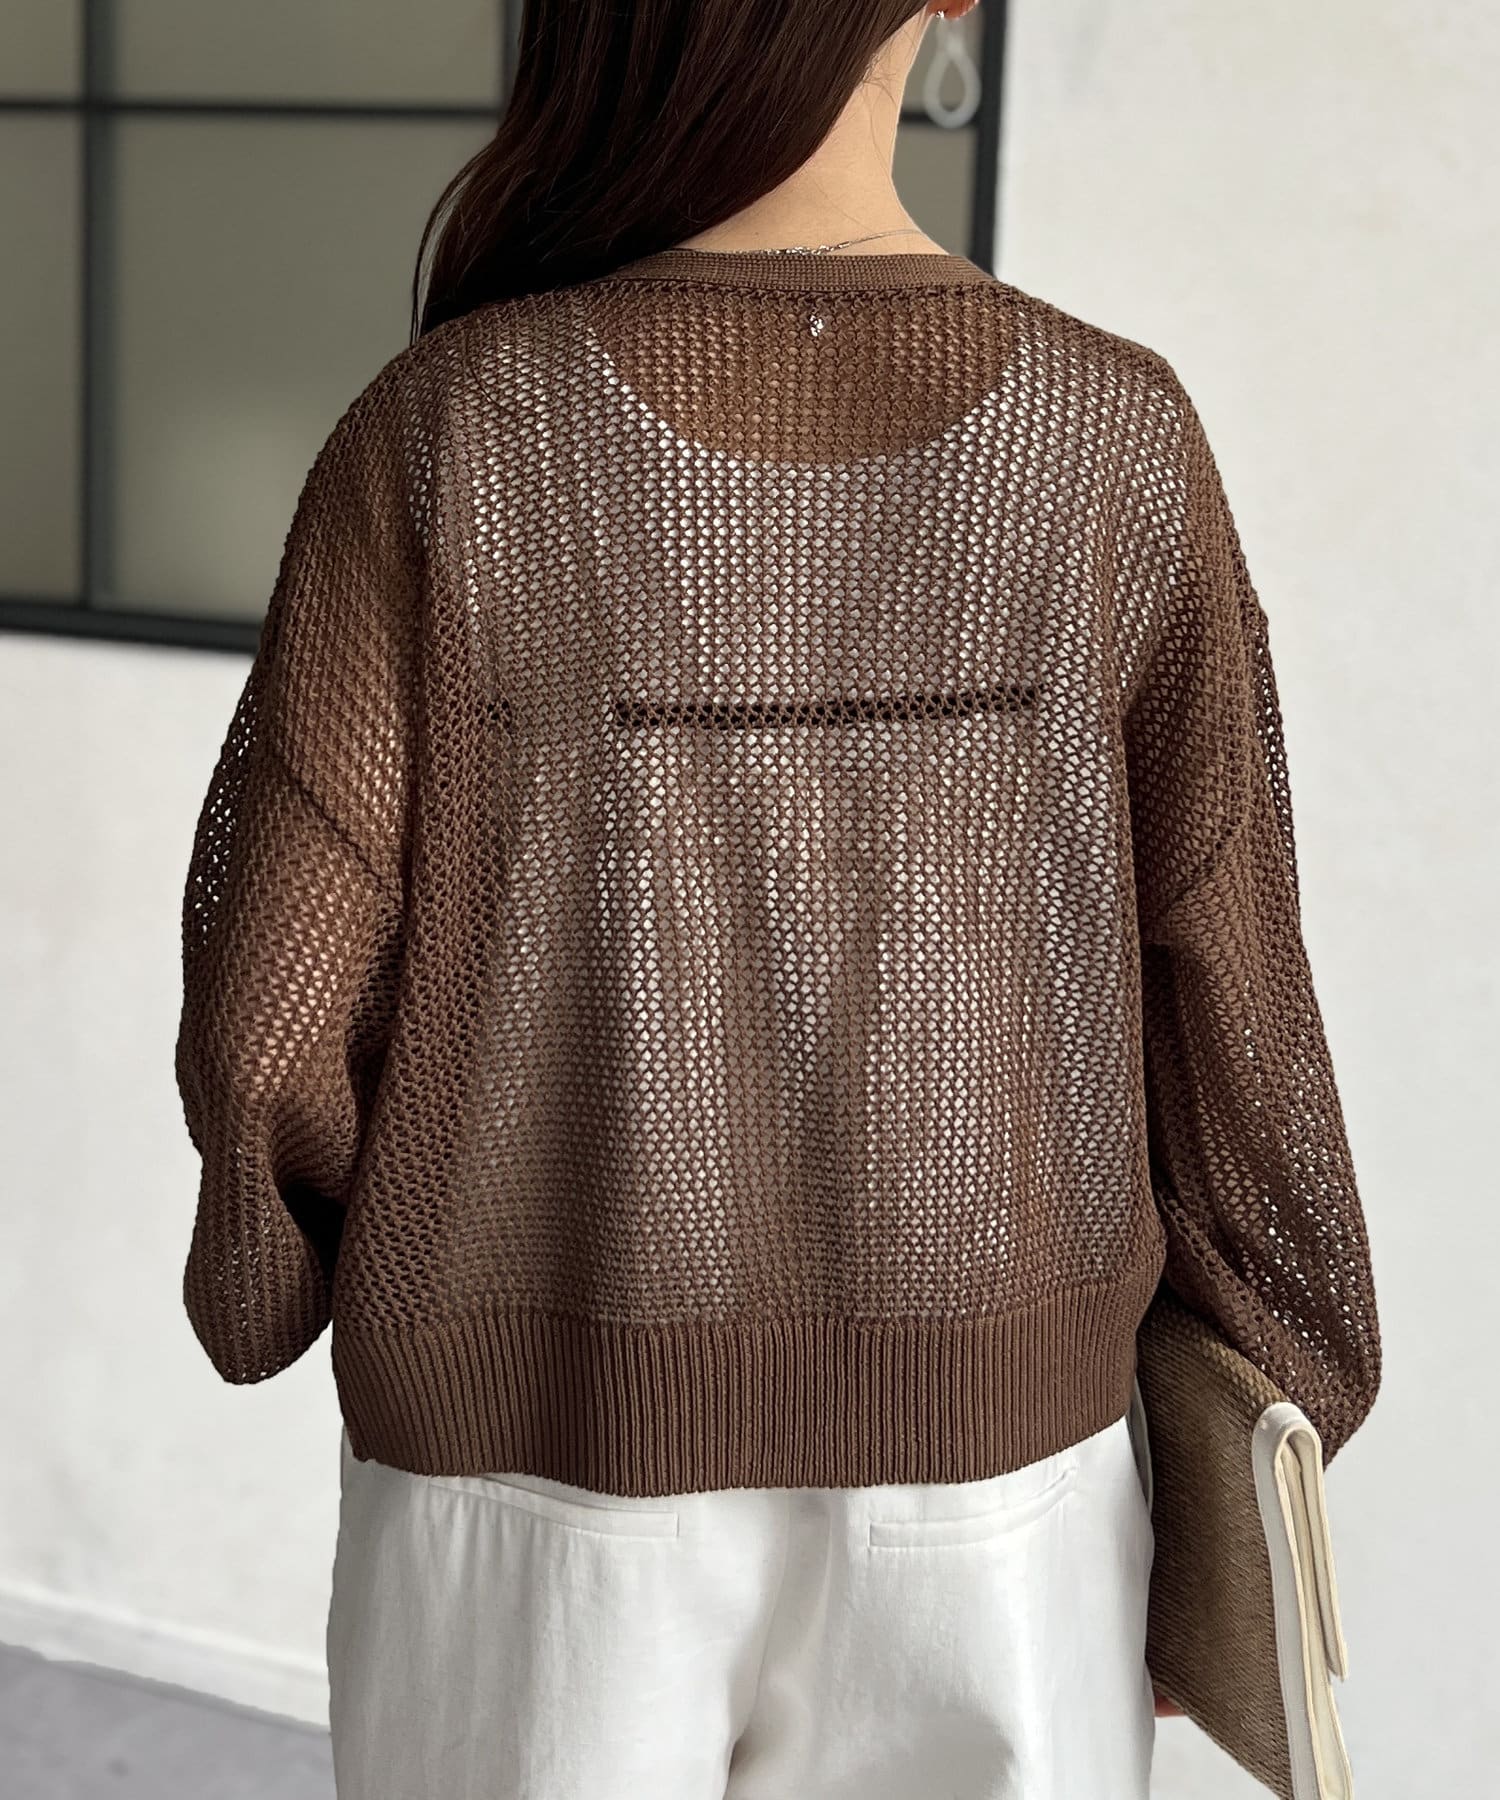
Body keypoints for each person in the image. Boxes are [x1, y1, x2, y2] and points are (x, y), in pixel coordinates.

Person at [172, 2, 1382, 1796]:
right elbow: (1234, 996)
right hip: (1010, 1484)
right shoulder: (1120, 442)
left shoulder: (447, 431)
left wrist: (283, 1274)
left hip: (535, 1481)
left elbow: (271, 1025)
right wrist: (1273, 1389)